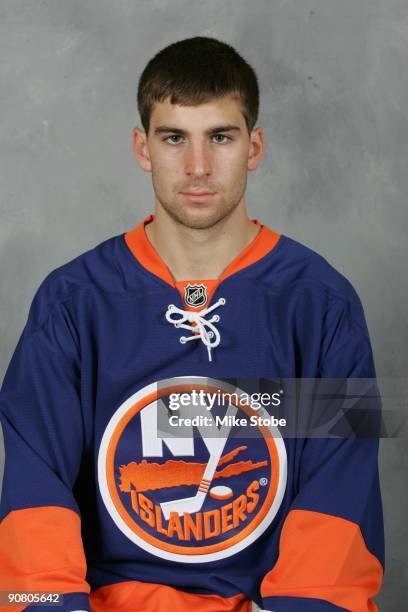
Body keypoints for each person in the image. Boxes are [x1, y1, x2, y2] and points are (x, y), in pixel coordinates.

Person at [0, 36, 384, 612]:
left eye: (221, 137)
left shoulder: (323, 304)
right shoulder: (72, 302)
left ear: (254, 146)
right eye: (174, 137)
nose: (198, 166)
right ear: (142, 147)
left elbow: (341, 503)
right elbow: (34, 497)